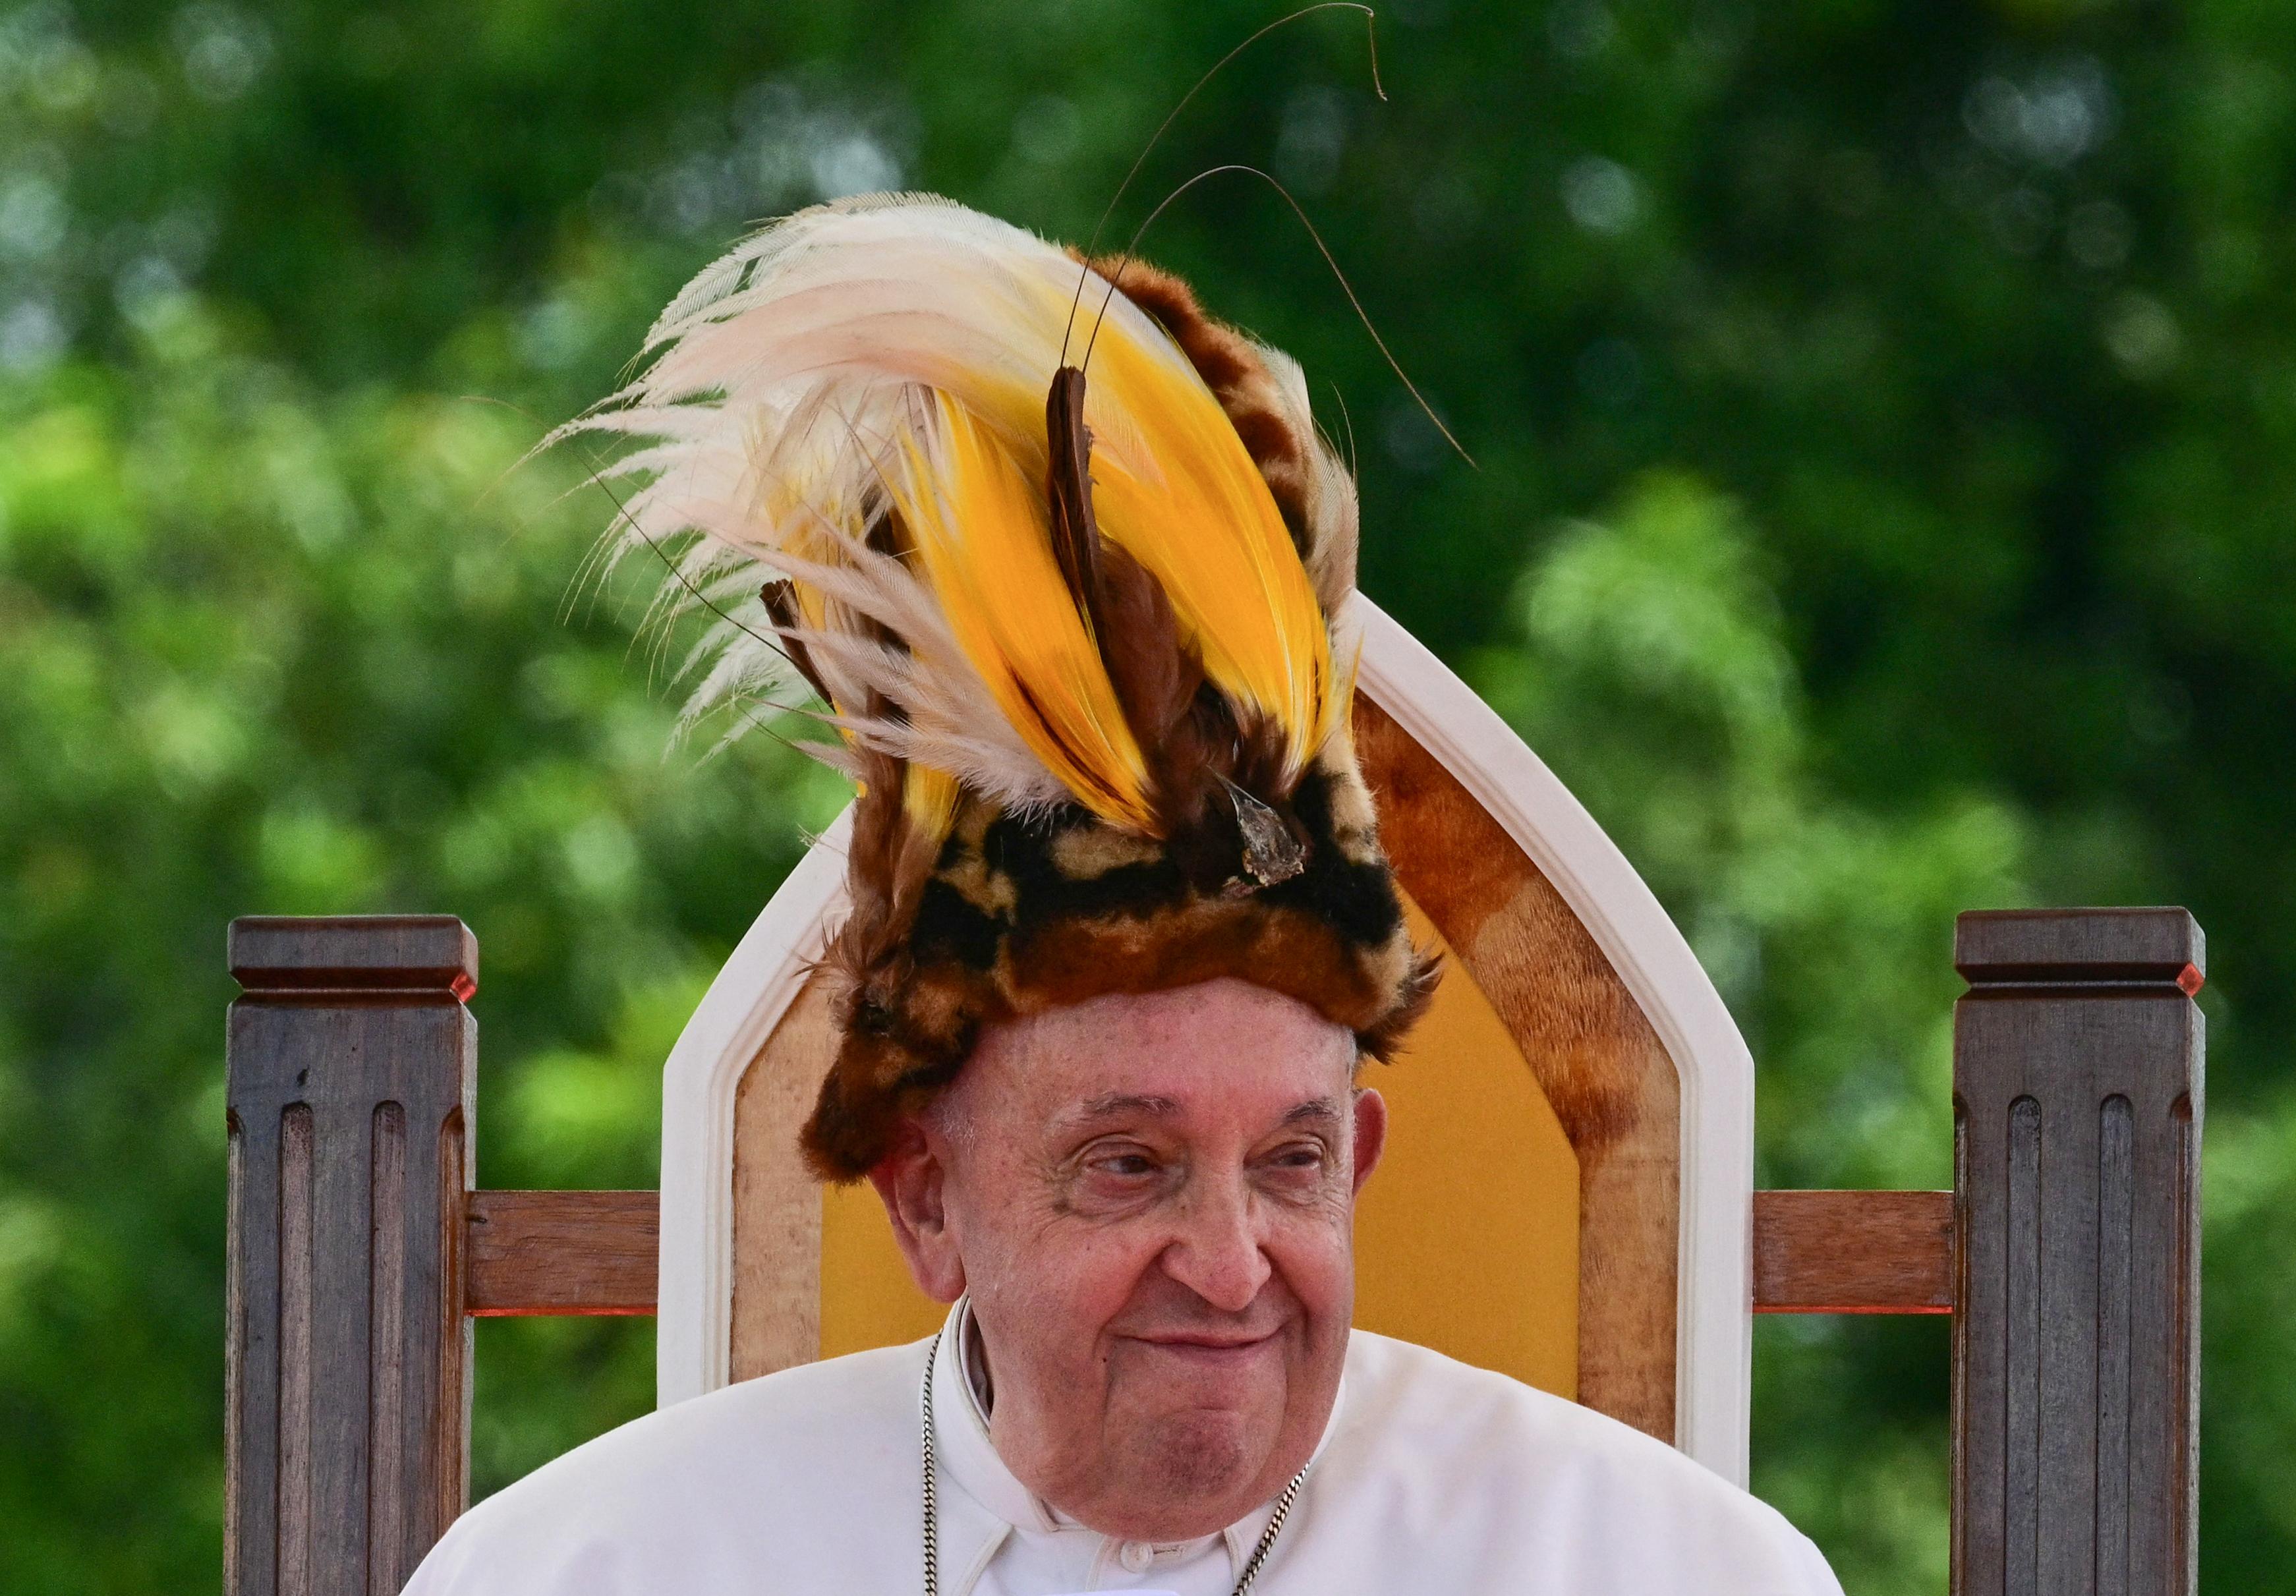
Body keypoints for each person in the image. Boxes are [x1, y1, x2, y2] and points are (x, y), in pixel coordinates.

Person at [404, 194, 1841, 1595]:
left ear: (1363, 1159)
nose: (1229, 1269)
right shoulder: (588, 1565)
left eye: (1291, 1161)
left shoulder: (1668, 1566)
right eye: (1126, 1163)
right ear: (924, 1199)